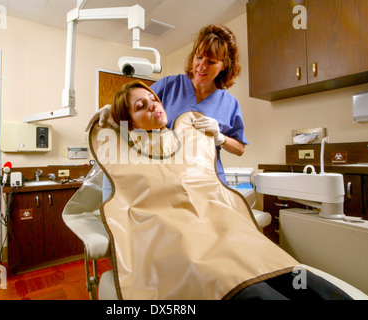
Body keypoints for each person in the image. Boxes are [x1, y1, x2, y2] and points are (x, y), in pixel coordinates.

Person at [91, 80, 353, 300]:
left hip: (218, 225)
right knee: (236, 281)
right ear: (130, 122)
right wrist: (112, 122)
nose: (154, 105)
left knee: (282, 269)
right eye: (141, 106)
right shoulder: (121, 157)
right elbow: (119, 208)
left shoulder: (186, 141)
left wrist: (219, 137)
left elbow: (223, 162)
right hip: (179, 238)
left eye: (153, 99)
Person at [87, 24, 248, 185]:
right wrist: (113, 110)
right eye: (199, 57)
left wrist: (220, 137)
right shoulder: (170, 85)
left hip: (209, 181)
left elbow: (240, 148)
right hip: (170, 179)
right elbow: (135, 105)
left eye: (211, 62)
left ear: (224, 65)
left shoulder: (229, 103)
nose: (202, 66)